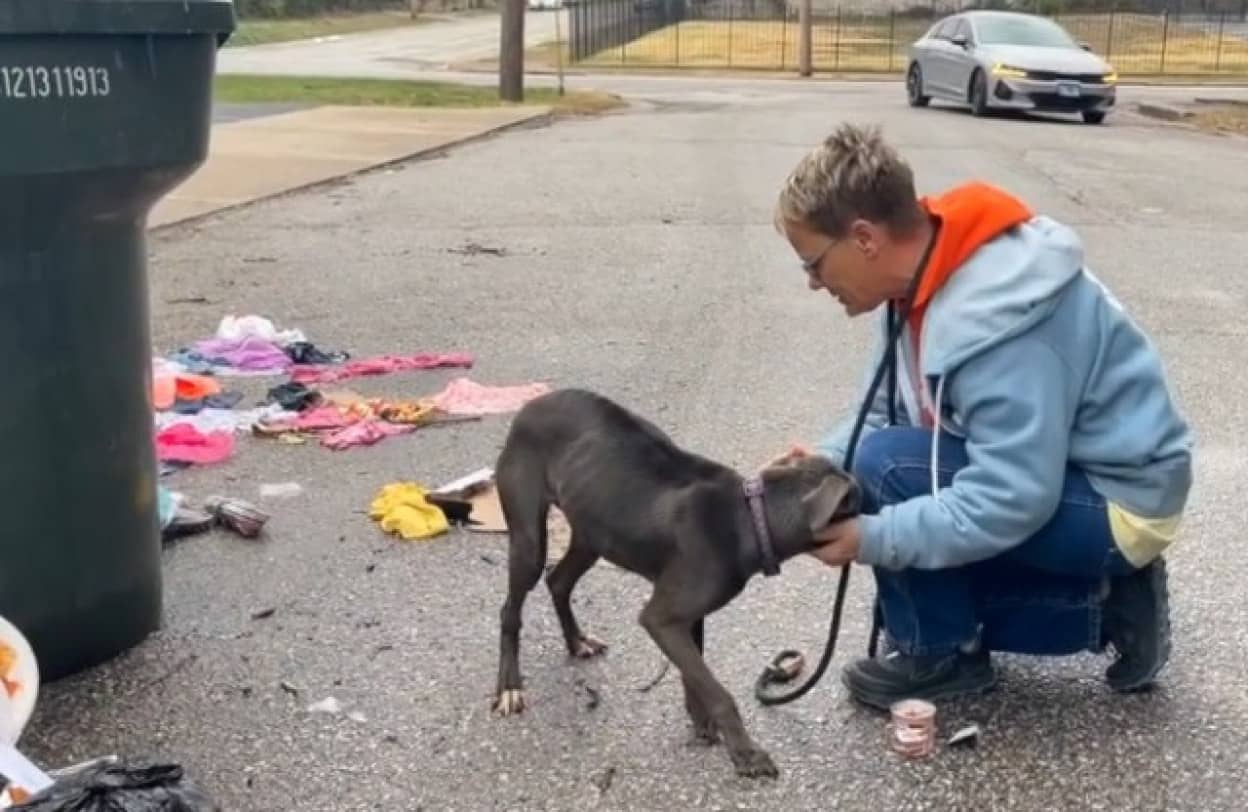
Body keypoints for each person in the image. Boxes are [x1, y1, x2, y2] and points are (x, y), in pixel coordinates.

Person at [771, 123, 1193, 711]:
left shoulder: (998, 318)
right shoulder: (920, 280)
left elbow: (1013, 497)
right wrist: (821, 468)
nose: (814, 283)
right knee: (900, 561)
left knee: (891, 490)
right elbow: (886, 410)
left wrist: (872, 537)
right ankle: (1107, 606)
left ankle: (947, 654)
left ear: (864, 238)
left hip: (1120, 500)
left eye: (814, 262)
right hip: (1071, 475)